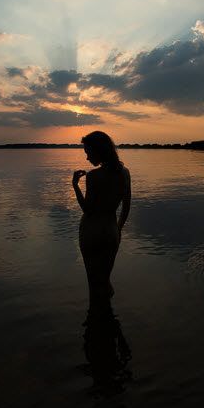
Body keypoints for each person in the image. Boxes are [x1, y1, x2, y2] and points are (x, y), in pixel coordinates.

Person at [73, 131, 131, 313]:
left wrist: (75, 186)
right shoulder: (125, 173)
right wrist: (118, 229)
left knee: (94, 283)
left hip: (91, 233)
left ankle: (96, 325)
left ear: (100, 151)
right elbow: (126, 206)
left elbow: (88, 210)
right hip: (111, 233)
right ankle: (110, 322)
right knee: (105, 280)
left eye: (89, 152)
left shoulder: (93, 176)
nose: (87, 156)